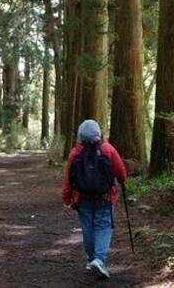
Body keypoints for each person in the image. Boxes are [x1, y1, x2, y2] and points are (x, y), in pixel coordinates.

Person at [62, 119, 127, 281]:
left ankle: (91, 260)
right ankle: (99, 259)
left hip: (82, 198)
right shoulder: (107, 148)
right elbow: (121, 172)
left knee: (88, 228)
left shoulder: (75, 152)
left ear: (80, 136)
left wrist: (67, 198)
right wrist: (121, 181)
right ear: (98, 134)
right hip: (104, 197)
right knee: (104, 226)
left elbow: (68, 178)